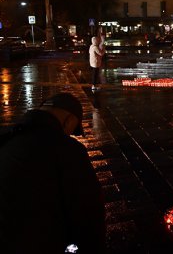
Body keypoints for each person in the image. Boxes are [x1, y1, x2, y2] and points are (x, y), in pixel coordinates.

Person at [0, 93, 106, 254]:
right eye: (72, 130)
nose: (69, 134)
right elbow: (88, 214)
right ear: (68, 120)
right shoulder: (67, 149)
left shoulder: (5, 136)